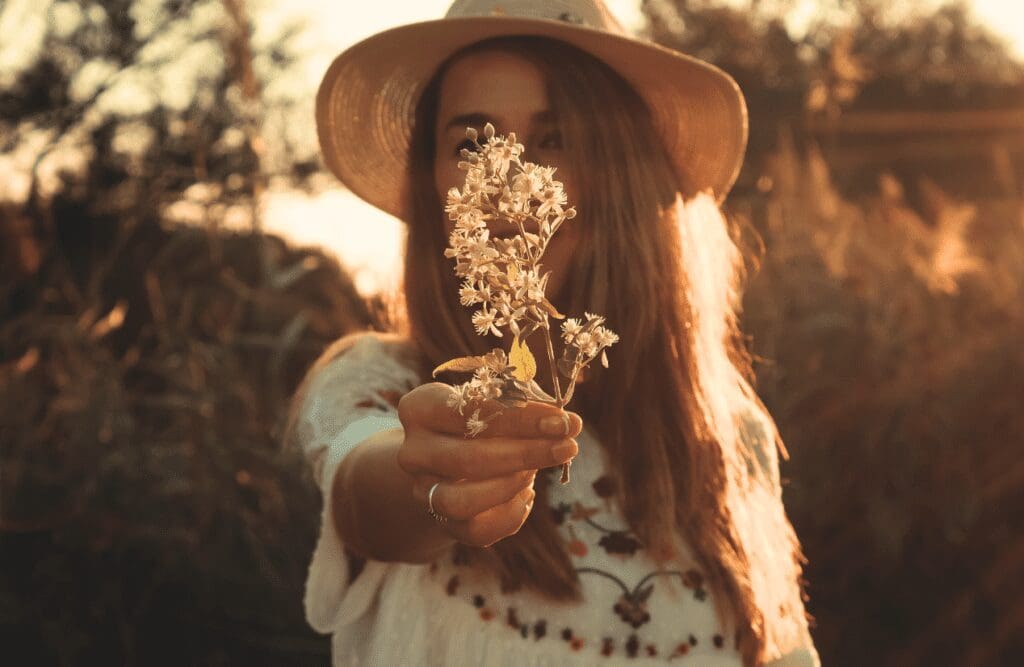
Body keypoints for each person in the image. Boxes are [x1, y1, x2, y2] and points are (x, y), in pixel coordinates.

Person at [286, 1, 821, 665]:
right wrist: (436, 483)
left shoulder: (729, 431)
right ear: (432, 188)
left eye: (556, 138)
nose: (512, 182)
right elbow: (369, 496)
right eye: (471, 143)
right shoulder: (379, 384)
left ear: (623, 172)